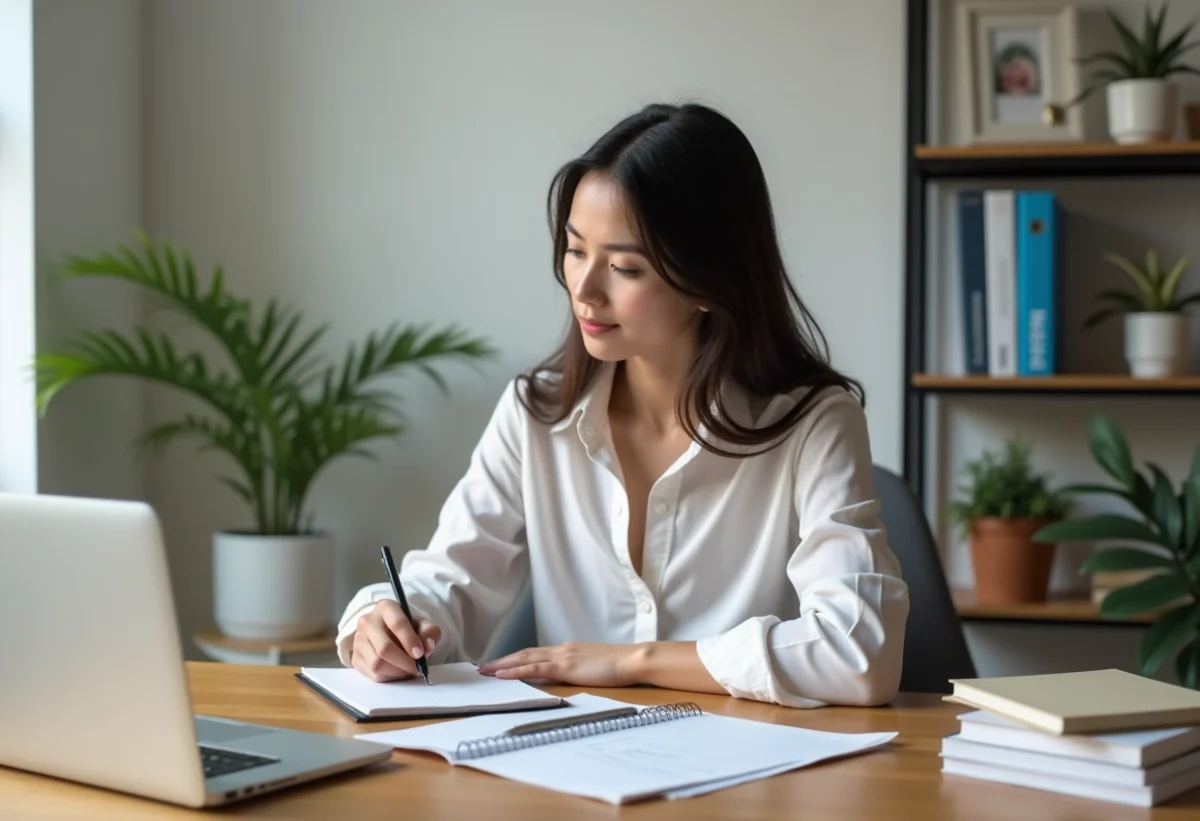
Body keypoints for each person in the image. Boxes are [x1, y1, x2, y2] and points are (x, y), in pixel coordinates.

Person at [335, 102, 910, 708]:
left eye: (624, 267)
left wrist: (632, 663)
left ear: (708, 279)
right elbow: (453, 580)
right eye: (576, 250)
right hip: (574, 772)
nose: (583, 289)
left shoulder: (813, 422)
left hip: (752, 780)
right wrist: (386, 622)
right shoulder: (538, 413)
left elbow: (861, 655)